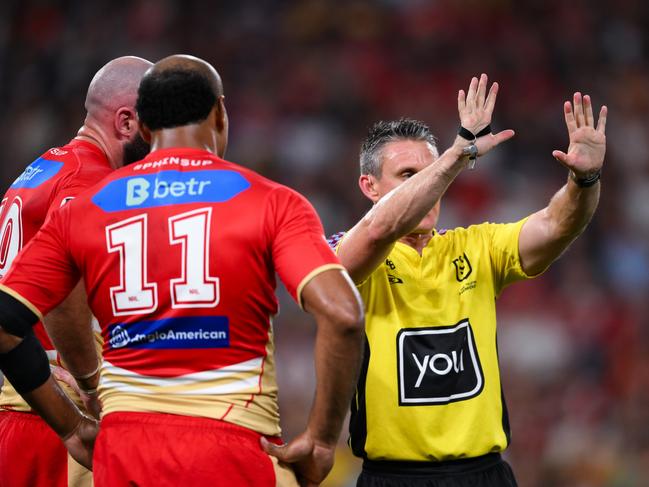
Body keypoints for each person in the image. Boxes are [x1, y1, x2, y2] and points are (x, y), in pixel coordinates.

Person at [0, 54, 365, 487]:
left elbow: (6, 321)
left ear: (147, 128)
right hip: (233, 448)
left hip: (120, 448)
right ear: (221, 113)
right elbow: (343, 313)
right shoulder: (271, 200)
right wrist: (322, 440)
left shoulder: (85, 206)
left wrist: (71, 427)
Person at [328, 74, 607, 486]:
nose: (430, 187)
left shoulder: (476, 246)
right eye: (408, 175)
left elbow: (555, 225)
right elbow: (373, 234)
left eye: (433, 173)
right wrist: (455, 156)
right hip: (393, 477)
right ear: (369, 186)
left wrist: (584, 180)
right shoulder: (341, 250)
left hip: (483, 474)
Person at [0, 55, 152, 487]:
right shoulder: (93, 181)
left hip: (22, 408)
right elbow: (65, 297)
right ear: (126, 122)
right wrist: (92, 385)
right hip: (58, 419)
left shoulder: (46, 167)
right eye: (154, 125)